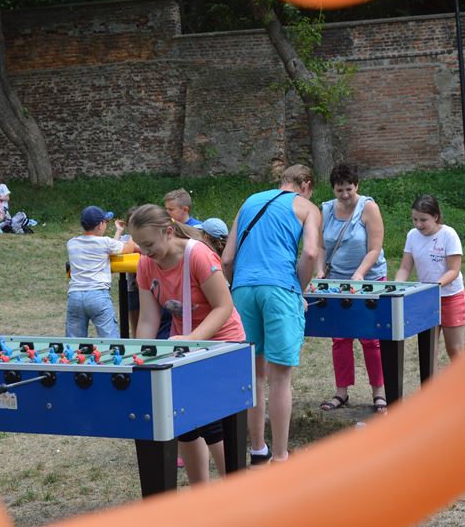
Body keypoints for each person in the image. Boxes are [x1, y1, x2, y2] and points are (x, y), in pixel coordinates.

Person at [130, 204, 246, 484]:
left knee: (215, 424)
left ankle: (237, 493)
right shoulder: (145, 264)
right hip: (186, 347)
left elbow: (223, 306)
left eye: (149, 245)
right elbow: (148, 319)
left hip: (223, 344)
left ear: (168, 232)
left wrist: (192, 339)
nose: (145, 252)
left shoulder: (198, 255)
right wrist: (139, 356)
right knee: (184, 425)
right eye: (139, 246)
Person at [221, 164, 321, 465]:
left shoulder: (249, 201)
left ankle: (257, 449)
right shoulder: (307, 207)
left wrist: (238, 286)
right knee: (280, 379)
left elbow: (227, 259)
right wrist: (297, 290)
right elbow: (311, 253)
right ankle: (280, 456)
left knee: (253, 375)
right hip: (280, 290)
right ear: (306, 184)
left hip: (242, 289)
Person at [316, 163, 389, 414]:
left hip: (369, 278)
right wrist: (320, 270)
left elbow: (374, 248)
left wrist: (360, 273)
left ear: (356, 186)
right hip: (337, 280)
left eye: (349, 189)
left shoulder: (369, 208)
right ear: (333, 189)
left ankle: (379, 392)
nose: (345, 194)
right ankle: (342, 392)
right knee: (340, 338)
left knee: (370, 337)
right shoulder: (325, 210)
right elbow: (321, 247)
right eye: (340, 190)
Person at [394, 194, 465, 363]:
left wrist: (433, 286)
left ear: (435, 216)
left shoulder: (449, 235)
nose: (418, 224)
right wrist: (396, 285)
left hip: (450, 298)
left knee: (454, 350)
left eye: (423, 220)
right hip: (426, 299)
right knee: (428, 351)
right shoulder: (412, 235)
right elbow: (405, 268)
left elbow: (454, 270)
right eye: (415, 219)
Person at [65, 206, 136, 338]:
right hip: (98, 295)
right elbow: (129, 248)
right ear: (100, 225)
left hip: (74, 295)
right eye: (106, 222)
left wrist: (118, 231)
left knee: (74, 342)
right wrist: (133, 229)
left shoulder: (72, 243)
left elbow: (111, 247)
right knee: (109, 341)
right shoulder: (105, 242)